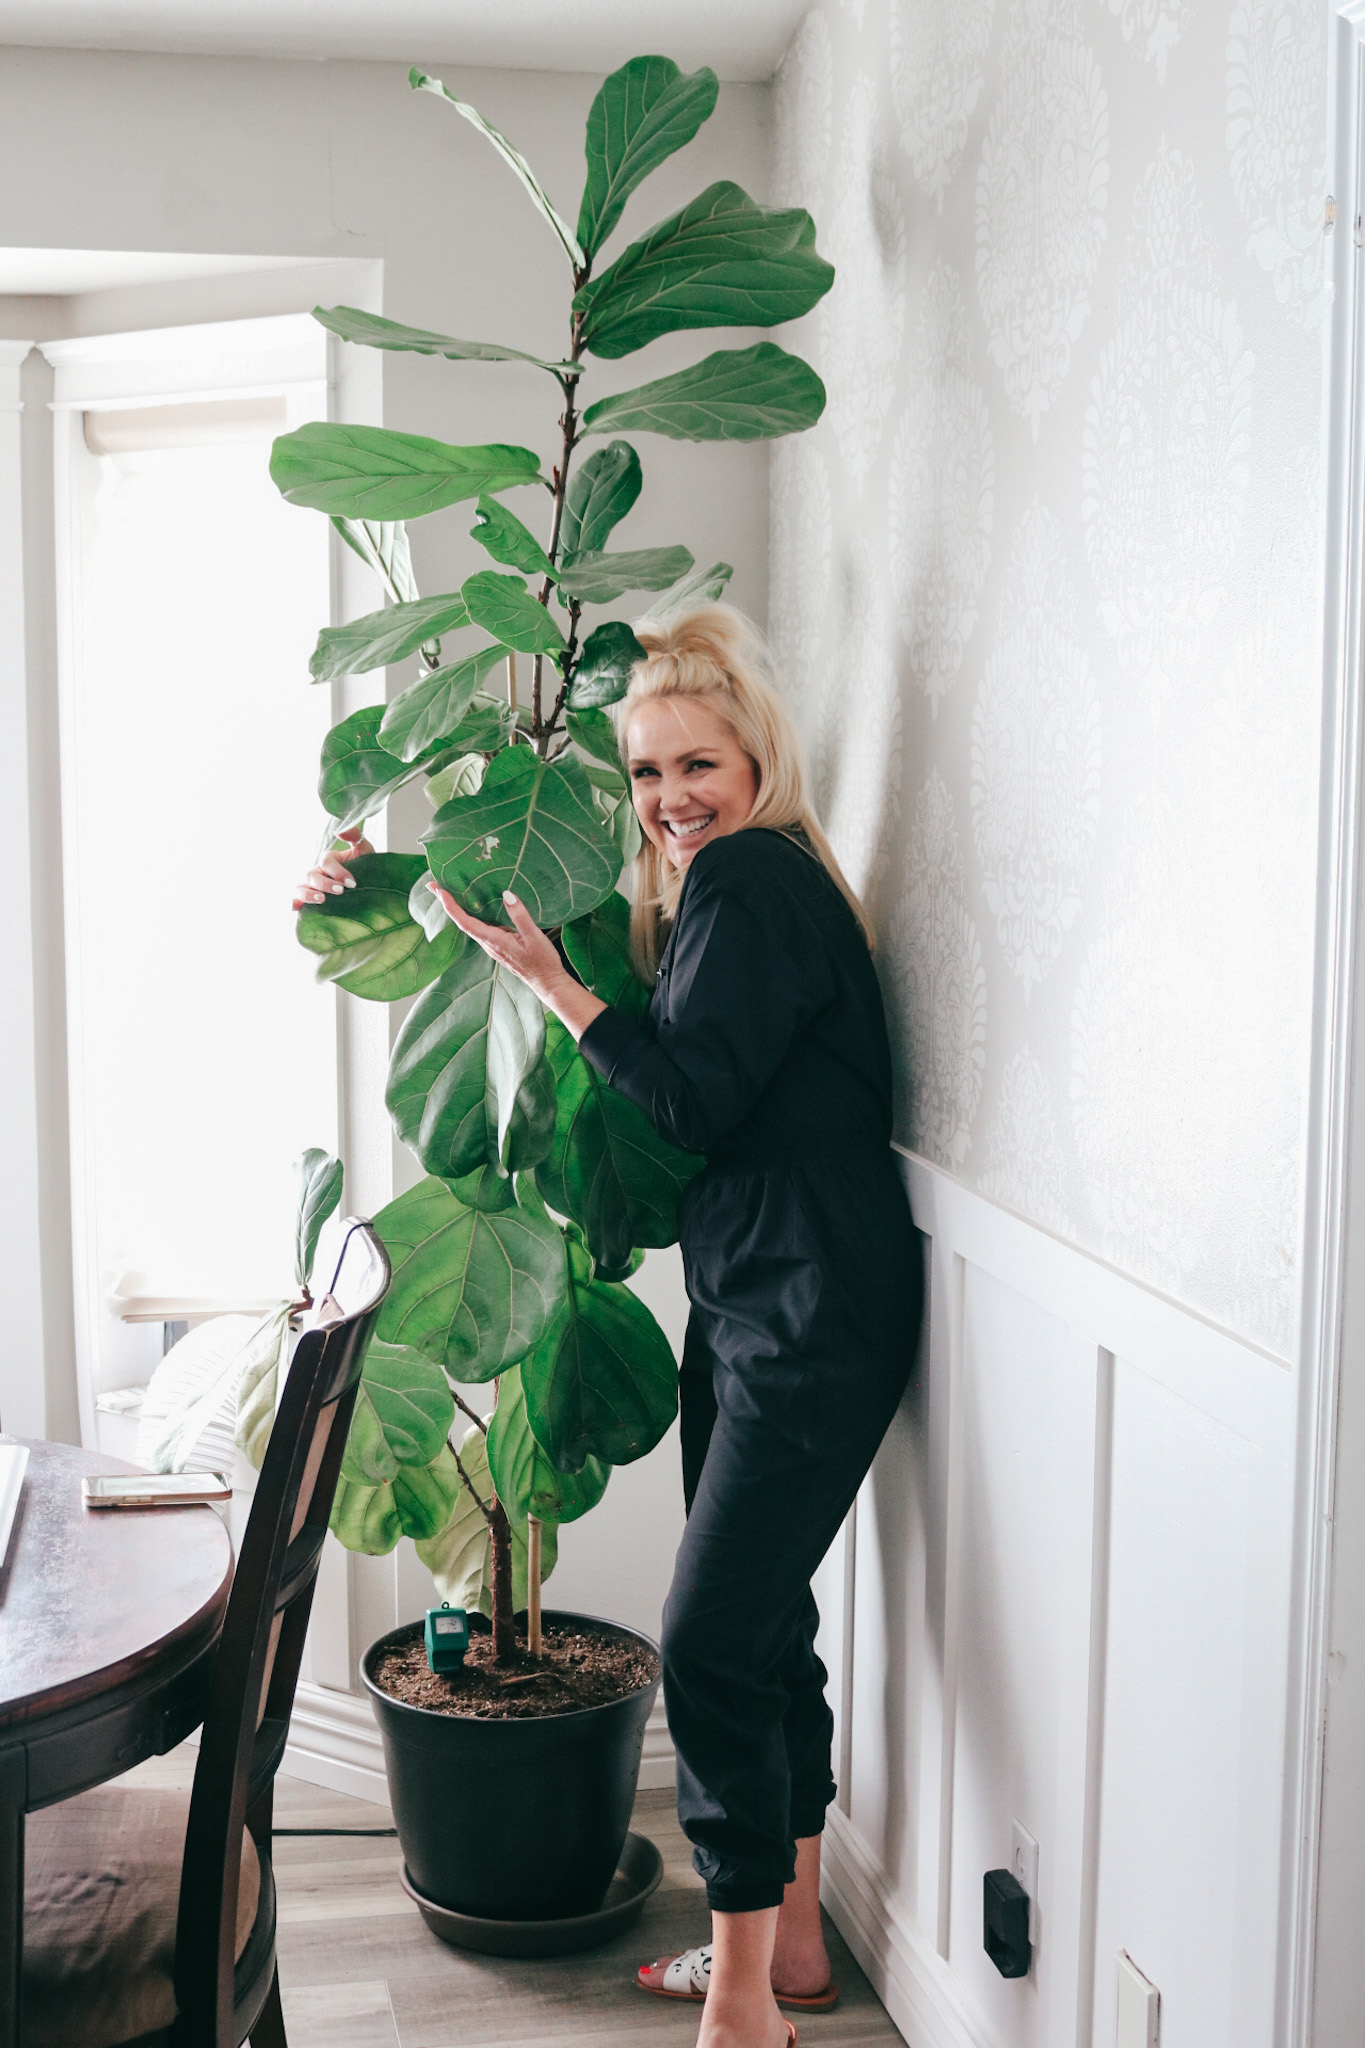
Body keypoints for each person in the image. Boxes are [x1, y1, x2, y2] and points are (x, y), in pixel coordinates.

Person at [294, 606, 922, 2048]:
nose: (669, 798)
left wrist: (557, 990)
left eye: (696, 762)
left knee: (708, 1640)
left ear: (757, 755)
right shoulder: (726, 883)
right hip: (767, 1292)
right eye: (643, 775)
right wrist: (367, 886)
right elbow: (682, 1044)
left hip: (805, 1307)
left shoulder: (752, 875)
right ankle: (800, 1944)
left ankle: (747, 2005)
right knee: (762, 1629)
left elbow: (686, 1095)